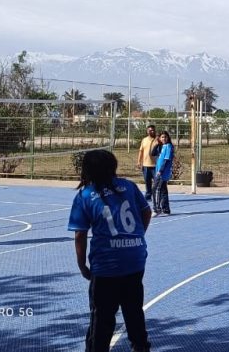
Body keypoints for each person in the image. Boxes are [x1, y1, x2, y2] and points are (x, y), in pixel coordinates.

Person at [68, 149, 152, 352]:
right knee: (133, 309)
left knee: (102, 316)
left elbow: (80, 235)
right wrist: (137, 237)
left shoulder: (86, 195)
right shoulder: (129, 186)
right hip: (135, 259)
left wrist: (82, 265)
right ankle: (141, 346)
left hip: (106, 266)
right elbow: (146, 212)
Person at [152, 131, 174, 217]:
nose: (164, 139)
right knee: (163, 191)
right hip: (160, 172)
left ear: (168, 138)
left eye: (165, 137)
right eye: (162, 137)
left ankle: (156, 209)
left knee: (155, 189)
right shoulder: (163, 146)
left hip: (162, 173)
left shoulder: (168, 146)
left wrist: (160, 171)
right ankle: (166, 209)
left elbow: (166, 160)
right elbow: (153, 153)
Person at [135, 125, 157, 201]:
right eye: (150, 130)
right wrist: (139, 161)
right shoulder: (144, 140)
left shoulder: (158, 140)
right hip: (146, 165)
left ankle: (157, 195)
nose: (152, 131)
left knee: (157, 182)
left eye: (153, 130)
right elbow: (141, 151)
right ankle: (148, 196)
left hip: (155, 166)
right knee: (147, 182)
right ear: (147, 131)